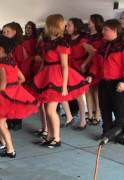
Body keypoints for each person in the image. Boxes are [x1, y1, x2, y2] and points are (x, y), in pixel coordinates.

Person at [30, 14, 89, 147]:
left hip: (56, 77)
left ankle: (56, 138)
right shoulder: (47, 41)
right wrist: (39, 75)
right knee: (46, 108)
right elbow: (44, 61)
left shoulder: (62, 42)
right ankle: (50, 136)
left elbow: (64, 65)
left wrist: (64, 86)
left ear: (51, 25)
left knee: (51, 110)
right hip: (46, 74)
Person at [87, 19, 124, 138]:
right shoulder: (103, 46)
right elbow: (96, 64)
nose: (102, 31)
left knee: (119, 111)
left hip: (118, 82)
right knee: (104, 108)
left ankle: (119, 135)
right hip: (104, 82)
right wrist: (91, 75)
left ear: (114, 30)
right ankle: (106, 133)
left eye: (105, 29)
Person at [85, 14, 104, 126]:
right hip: (87, 63)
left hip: (96, 64)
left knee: (96, 91)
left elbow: (99, 51)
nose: (88, 23)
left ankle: (97, 115)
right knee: (87, 90)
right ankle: (90, 115)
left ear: (96, 22)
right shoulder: (87, 36)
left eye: (91, 21)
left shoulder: (101, 36)